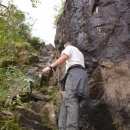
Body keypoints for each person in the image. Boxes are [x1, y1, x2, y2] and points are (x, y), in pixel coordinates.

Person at [42, 42, 88, 130]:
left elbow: (64, 57)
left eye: (64, 47)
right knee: (66, 101)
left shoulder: (69, 48)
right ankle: (61, 127)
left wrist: (50, 67)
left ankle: (71, 128)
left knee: (70, 100)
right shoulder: (79, 53)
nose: (63, 49)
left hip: (74, 74)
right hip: (81, 75)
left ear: (67, 45)